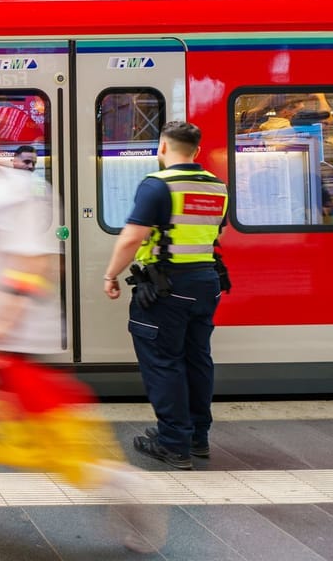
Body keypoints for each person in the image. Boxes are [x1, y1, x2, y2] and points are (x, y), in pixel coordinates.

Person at [0, 110, 163, 552]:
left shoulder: (15, 192)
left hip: (2, 340)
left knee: (45, 438)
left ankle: (122, 486)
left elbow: (34, 263)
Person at [103, 121, 228, 471]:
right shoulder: (218, 187)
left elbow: (130, 238)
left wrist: (110, 274)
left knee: (164, 362)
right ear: (197, 151)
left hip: (166, 289)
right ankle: (197, 437)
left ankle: (173, 442)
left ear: (162, 148)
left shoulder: (158, 186)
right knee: (197, 359)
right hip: (206, 284)